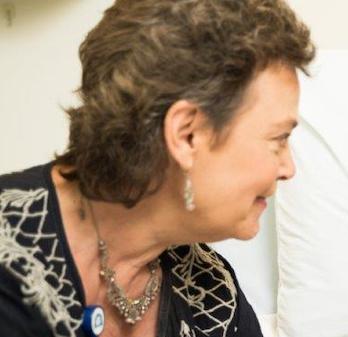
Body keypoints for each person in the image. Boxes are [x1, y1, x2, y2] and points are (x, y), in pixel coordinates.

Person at [0, 1, 314, 336]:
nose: (288, 168)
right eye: (278, 138)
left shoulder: (213, 298)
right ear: (186, 135)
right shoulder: (10, 255)